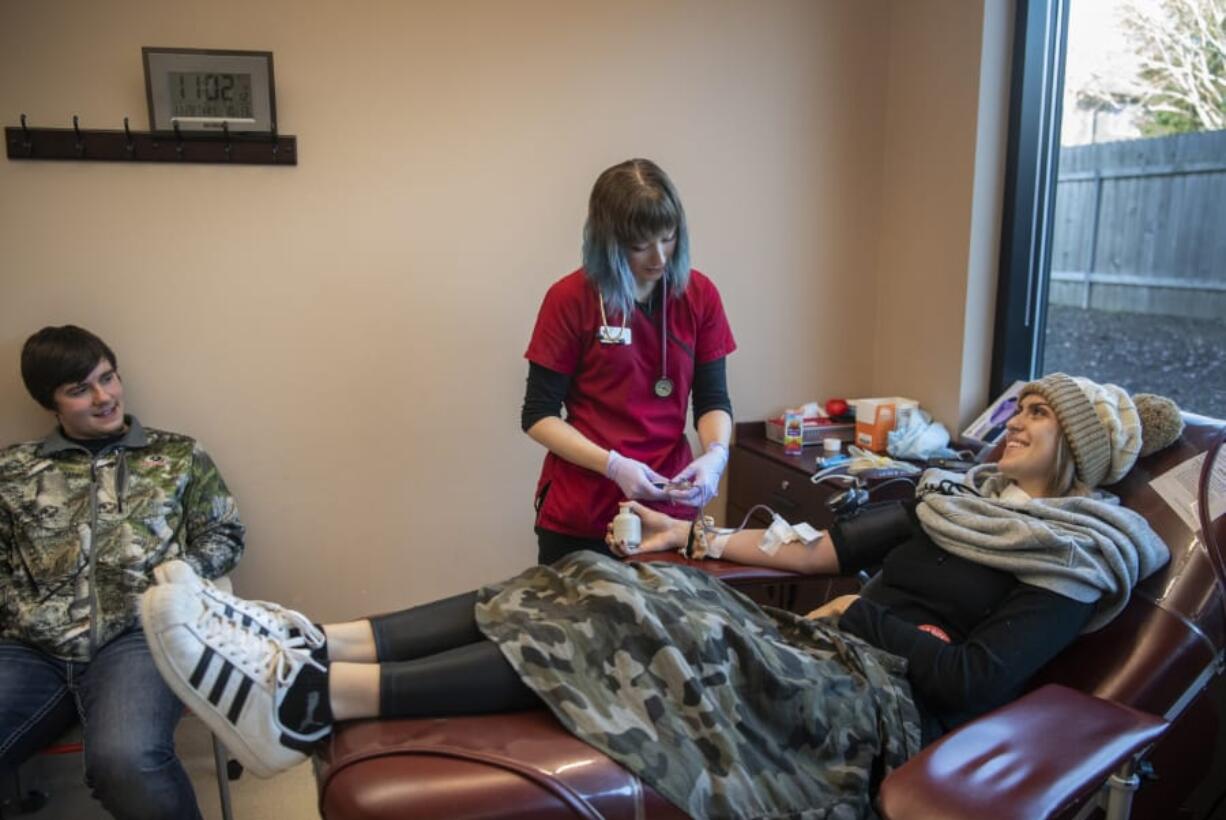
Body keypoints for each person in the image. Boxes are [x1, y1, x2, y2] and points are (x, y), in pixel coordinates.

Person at [141, 374, 1182, 817]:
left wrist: (861, 620)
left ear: (1079, 456)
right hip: (820, 647)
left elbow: (968, 676)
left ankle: (313, 696)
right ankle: (310, 653)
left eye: (1039, 418)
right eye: (1023, 405)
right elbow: (821, 551)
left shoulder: (1072, 558)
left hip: (874, 708)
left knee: (636, 613)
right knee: (592, 574)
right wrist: (691, 532)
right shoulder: (951, 494)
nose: (1014, 422)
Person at [0, 325, 246, 820]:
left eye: (107, 378)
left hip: (139, 638)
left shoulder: (177, 456)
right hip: (29, 649)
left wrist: (171, 581)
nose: (103, 397)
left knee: (126, 760)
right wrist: (21, 611)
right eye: (79, 389)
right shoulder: (12, 470)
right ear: (50, 403)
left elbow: (224, 533)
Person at [522, 158, 737, 563]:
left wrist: (715, 455)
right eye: (640, 245)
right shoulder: (570, 300)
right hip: (584, 510)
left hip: (669, 512)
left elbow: (712, 400)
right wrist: (614, 465)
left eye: (668, 238)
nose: (658, 257)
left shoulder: (699, 296)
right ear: (609, 241)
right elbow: (538, 415)